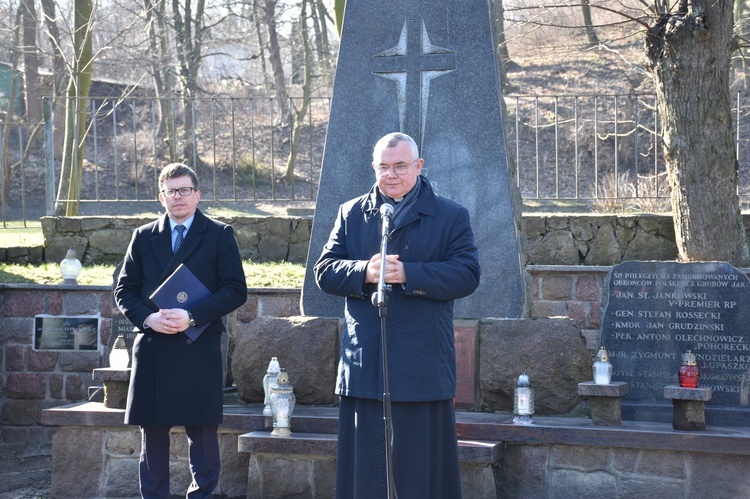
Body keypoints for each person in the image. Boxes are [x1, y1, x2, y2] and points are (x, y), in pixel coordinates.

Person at [314, 132, 481, 498]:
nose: (391, 174)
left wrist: (410, 274)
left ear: (419, 167)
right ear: (374, 168)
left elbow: (467, 274)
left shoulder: (451, 215)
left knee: (419, 473)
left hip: (421, 363)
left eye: (400, 166)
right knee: (366, 472)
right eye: (383, 167)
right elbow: (324, 271)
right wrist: (363, 272)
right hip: (365, 364)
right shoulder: (351, 212)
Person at [114, 163, 247, 498]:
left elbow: (234, 289)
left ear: (197, 194)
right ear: (161, 197)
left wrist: (191, 316)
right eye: (171, 191)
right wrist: (148, 318)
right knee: (153, 435)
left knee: (202, 433)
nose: (178, 197)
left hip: (197, 344)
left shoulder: (219, 234)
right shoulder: (143, 237)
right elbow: (124, 291)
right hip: (155, 347)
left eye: (184, 190)